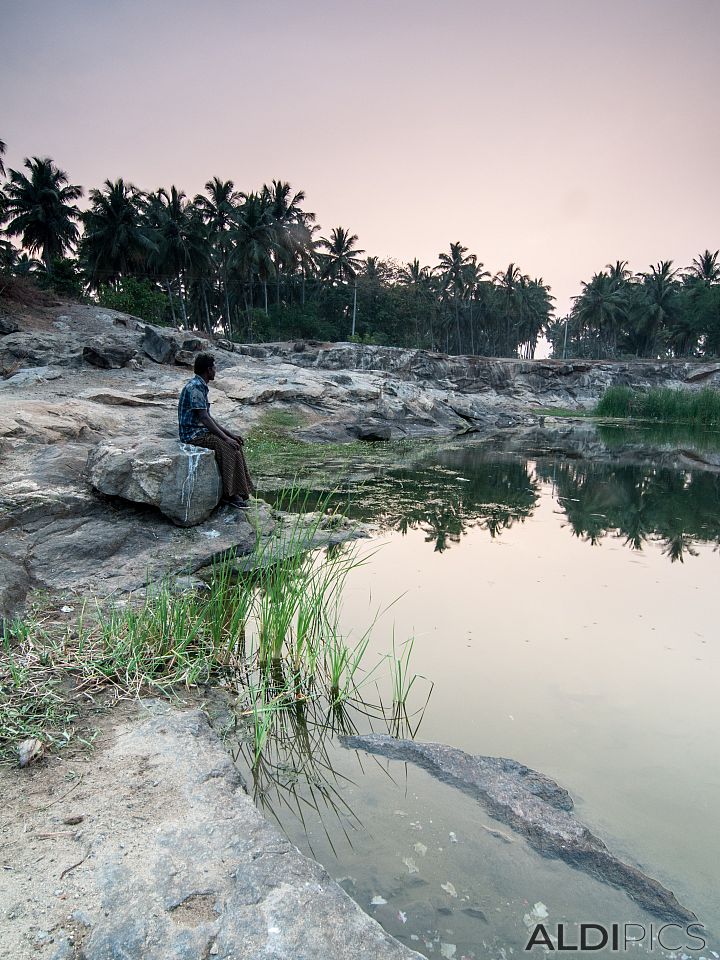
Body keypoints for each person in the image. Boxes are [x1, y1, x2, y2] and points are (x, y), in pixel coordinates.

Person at [178, 352, 254, 508]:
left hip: (200, 432)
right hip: (192, 435)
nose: (215, 370)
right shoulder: (195, 388)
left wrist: (230, 434)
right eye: (214, 367)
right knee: (227, 447)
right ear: (208, 370)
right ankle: (230, 495)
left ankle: (241, 490)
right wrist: (226, 439)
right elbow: (204, 418)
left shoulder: (200, 386)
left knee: (235, 444)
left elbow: (208, 418)